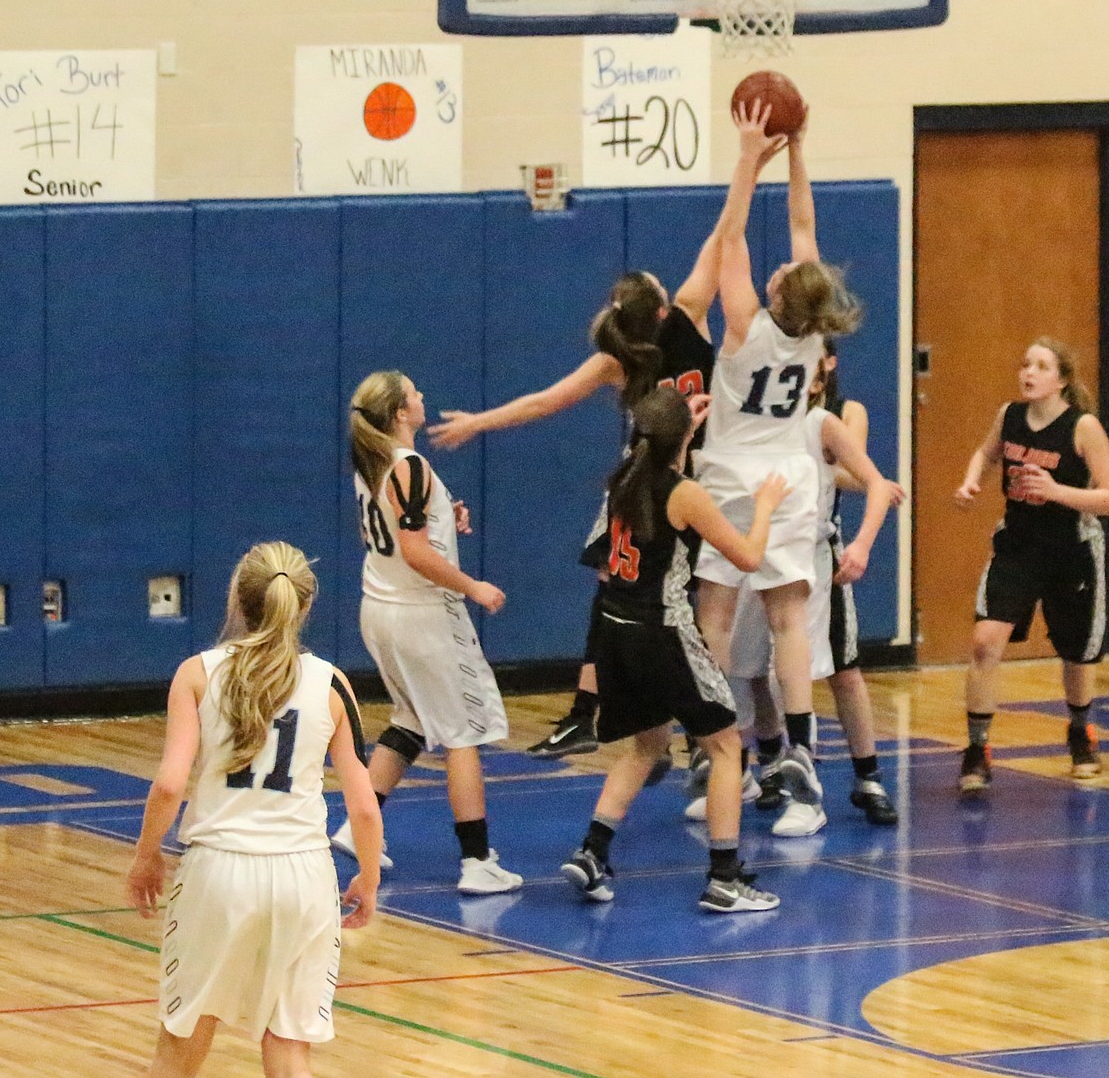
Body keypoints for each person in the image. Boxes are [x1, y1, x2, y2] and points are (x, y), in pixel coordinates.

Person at [428, 112, 784, 761]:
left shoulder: (616, 356)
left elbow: (544, 401)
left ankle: (597, 709)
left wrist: (478, 421)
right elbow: (725, 233)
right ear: (657, 305)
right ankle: (710, 730)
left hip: (637, 482)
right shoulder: (684, 316)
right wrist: (749, 163)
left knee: (621, 589)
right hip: (697, 477)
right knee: (705, 605)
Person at [127, 541, 382, 1078]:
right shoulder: (333, 683)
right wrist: (368, 876)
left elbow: (171, 784)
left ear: (238, 603)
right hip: (304, 876)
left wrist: (146, 854)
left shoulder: (197, 673)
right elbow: (362, 806)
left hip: (218, 872)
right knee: (289, 1049)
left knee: (182, 1045)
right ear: (304, 607)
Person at [692, 102, 862, 828]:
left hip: (730, 477)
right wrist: (796, 152)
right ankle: (798, 757)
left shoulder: (741, 323)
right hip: (788, 480)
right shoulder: (809, 332)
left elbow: (729, 234)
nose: (790, 259)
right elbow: (802, 225)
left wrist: (746, 159)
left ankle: (712, 749)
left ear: (777, 292)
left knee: (714, 619)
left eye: (788, 269)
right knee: (791, 622)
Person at [560, 386, 789, 912]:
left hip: (617, 629)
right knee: (726, 746)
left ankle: (593, 850)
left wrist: (681, 424)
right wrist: (765, 507)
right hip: (661, 632)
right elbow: (749, 557)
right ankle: (725, 877)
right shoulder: (683, 493)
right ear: (685, 437)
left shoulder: (622, 479)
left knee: (646, 746)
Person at [330, 370, 522, 894]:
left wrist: (444, 515)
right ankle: (477, 862)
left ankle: (356, 825)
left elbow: (400, 531)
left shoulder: (373, 464)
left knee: (411, 721)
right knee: (463, 732)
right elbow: (415, 552)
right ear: (399, 413)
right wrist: (473, 586)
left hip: (379, 607)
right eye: (415, 393)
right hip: (420, 613)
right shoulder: (408, 465)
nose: (423, 397)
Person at [717, 341, 903, 835]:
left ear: (816, 381)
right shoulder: (752, 421)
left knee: (805, 673)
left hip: (807, 561)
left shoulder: (824, 422)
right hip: (755, 555)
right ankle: (766, 765)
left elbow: (879, 484)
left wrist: (860, 546)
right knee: (743, 666)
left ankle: (816, 788)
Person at [953, 337, 1109, 792]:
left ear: (1062, 379)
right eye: (1025, 363)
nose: (1028, 372)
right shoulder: (1009, 416)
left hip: (1071, 548)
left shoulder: (1082, 427)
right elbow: (987, 453)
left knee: (1075, 652)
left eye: (1041, 366)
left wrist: (1056, 492)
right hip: (1018, 544)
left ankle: (1081, 730)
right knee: (985, 640)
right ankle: (977, 748)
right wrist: (972, 482)